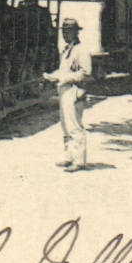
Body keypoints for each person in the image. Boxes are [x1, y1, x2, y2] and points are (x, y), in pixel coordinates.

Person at [43, 17, 91, 170]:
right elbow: (63, 70)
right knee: (65, 126)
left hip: (75, 90)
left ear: (76, 32)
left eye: (68, 31)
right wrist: (52, 76)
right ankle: (69, 155)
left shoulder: (81, 50)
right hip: (64, 90)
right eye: (64, 31)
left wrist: (64, 78)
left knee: (74, 126)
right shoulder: (66, 50)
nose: (65, 34)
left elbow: (86, 72)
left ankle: (79, 160)